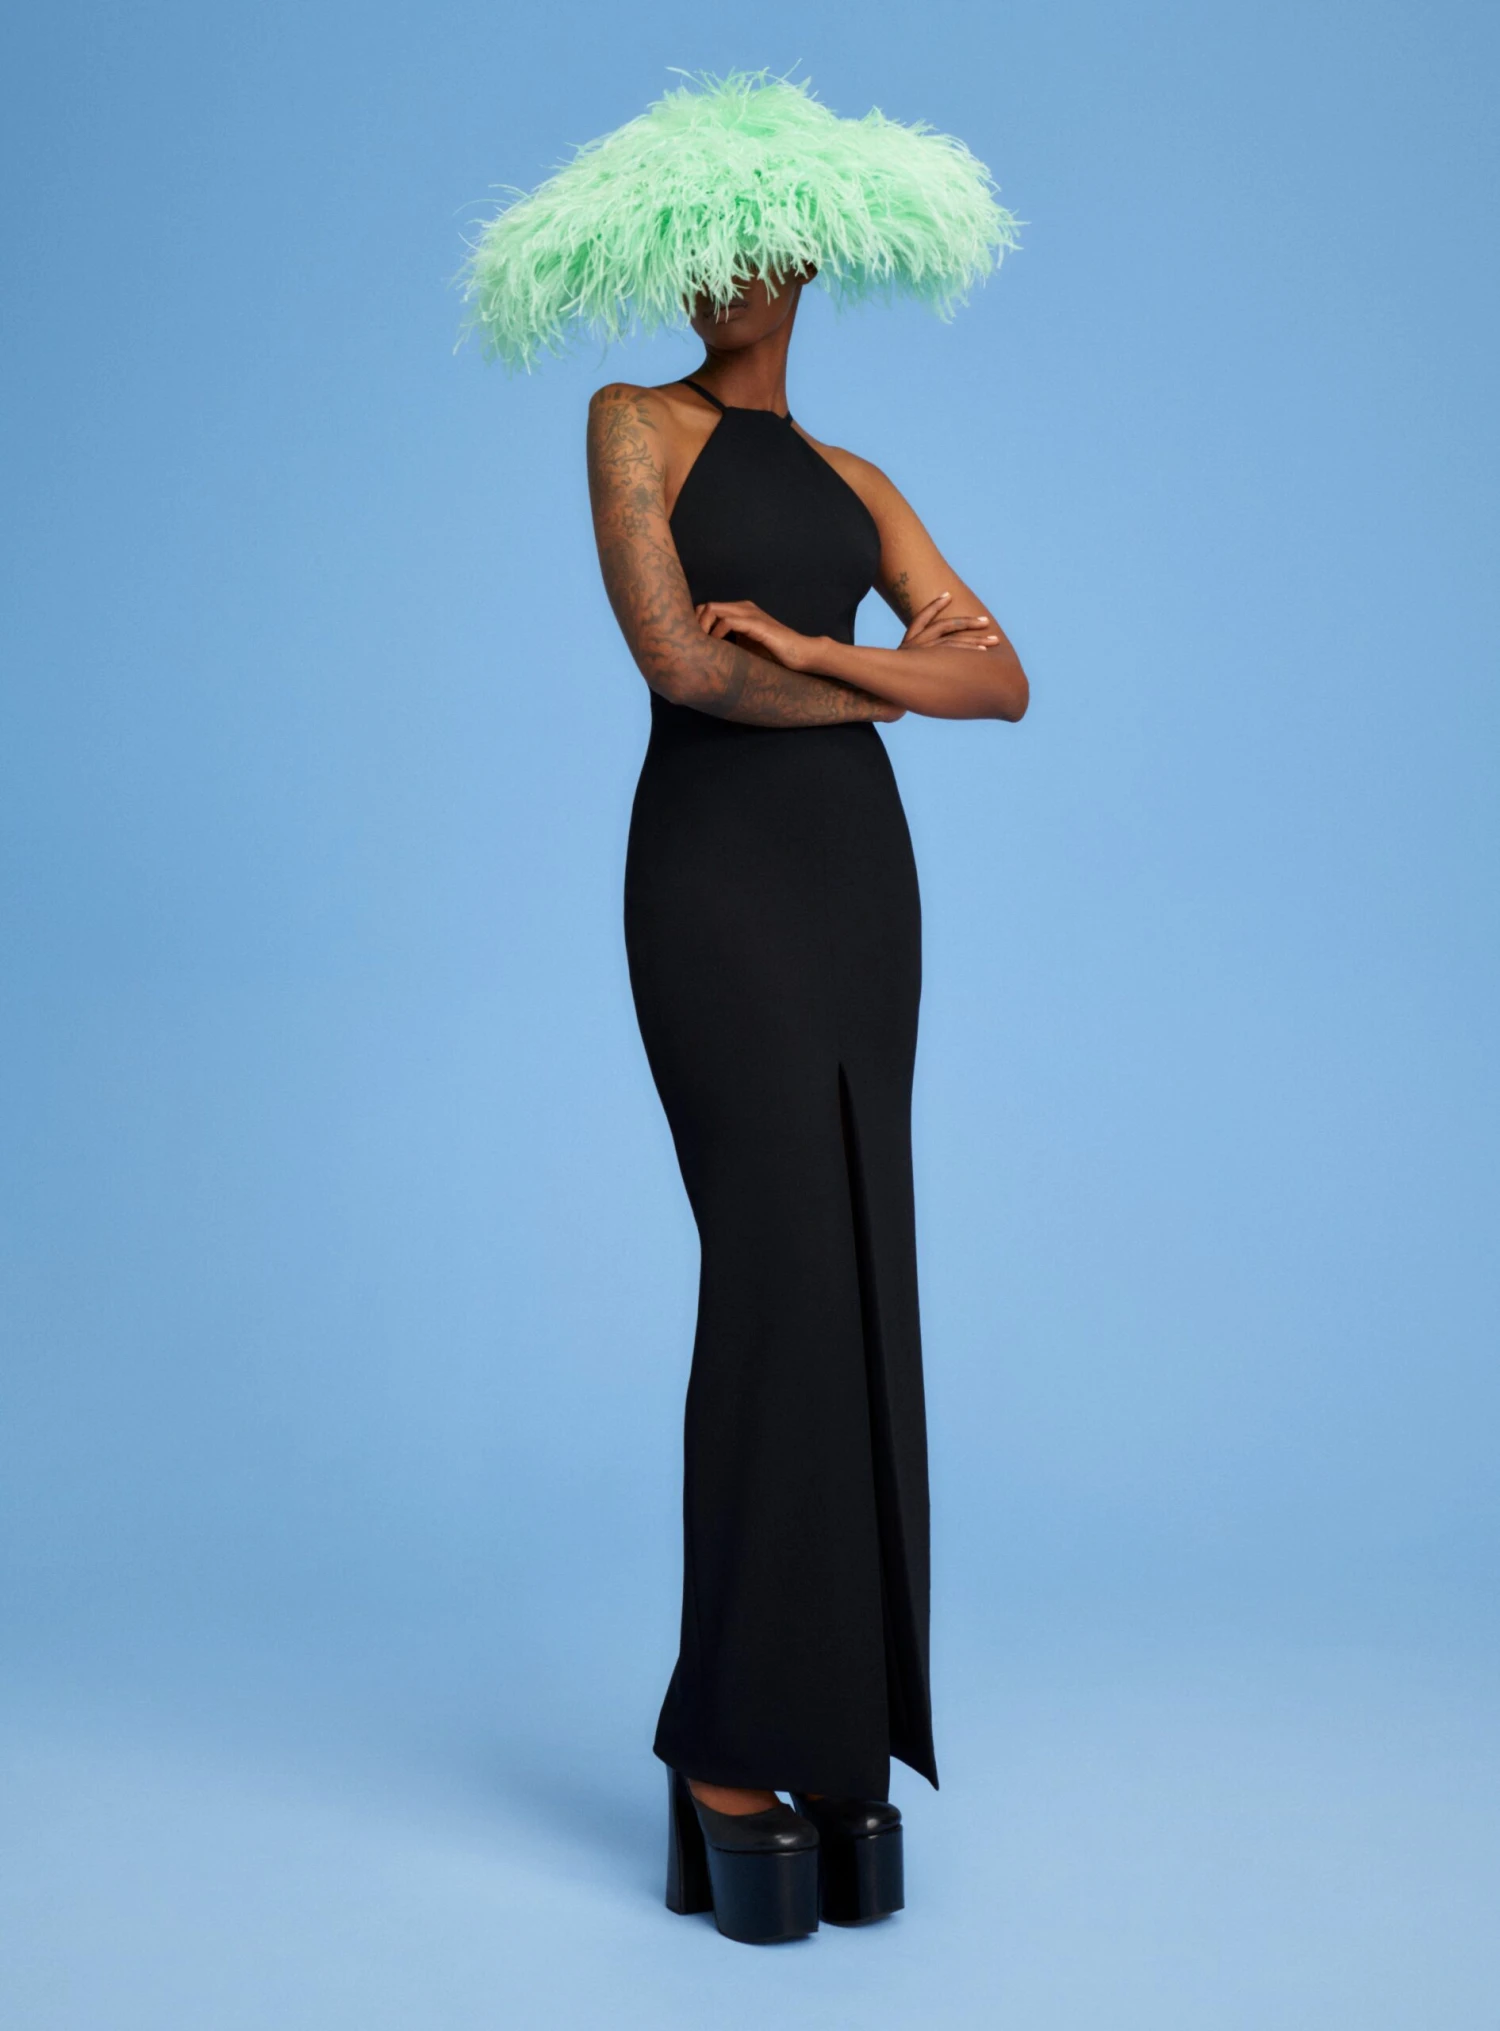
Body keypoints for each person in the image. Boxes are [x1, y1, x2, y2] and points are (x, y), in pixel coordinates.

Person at [460, 68, 1027, 1944]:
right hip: (713, 884)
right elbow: (678, 667)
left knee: (860, 1264)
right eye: (695, 250)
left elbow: (1004, 677)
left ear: (805, 262)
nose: (722, 277)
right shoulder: (633, 424)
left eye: (752, 248)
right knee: (775, 1257)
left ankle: (834, 1732)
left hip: (862, 895)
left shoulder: (861, 482)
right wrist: (862, 671)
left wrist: (816, 648)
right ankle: (721, 1740)